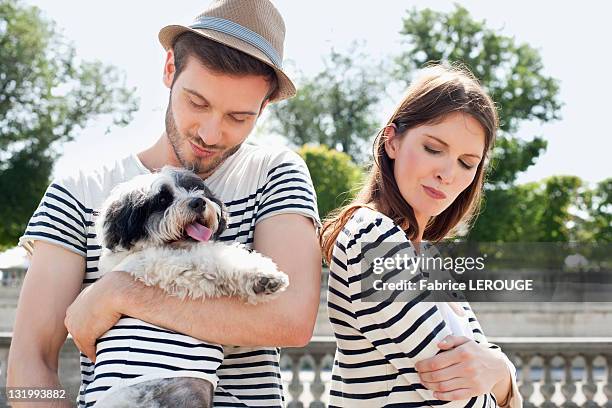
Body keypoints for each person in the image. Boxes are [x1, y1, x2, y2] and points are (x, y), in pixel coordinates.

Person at [7, 1, 322, 407]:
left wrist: (121, 292)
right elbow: (28, 366)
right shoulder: (78, 190)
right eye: (198, 102)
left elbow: (291, 320)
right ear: (169, 68)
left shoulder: (275, 173)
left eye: (239, 117)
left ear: (265, 107)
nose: (210, 132)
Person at [320, 65, 522, 407]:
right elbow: (458, 394)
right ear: (393, 140)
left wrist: (498, 371)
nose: (447, 173)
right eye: (433, 148)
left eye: (466, 163)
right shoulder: (372, 236)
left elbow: (488, 384)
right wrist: (502, 374)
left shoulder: (427, 257)